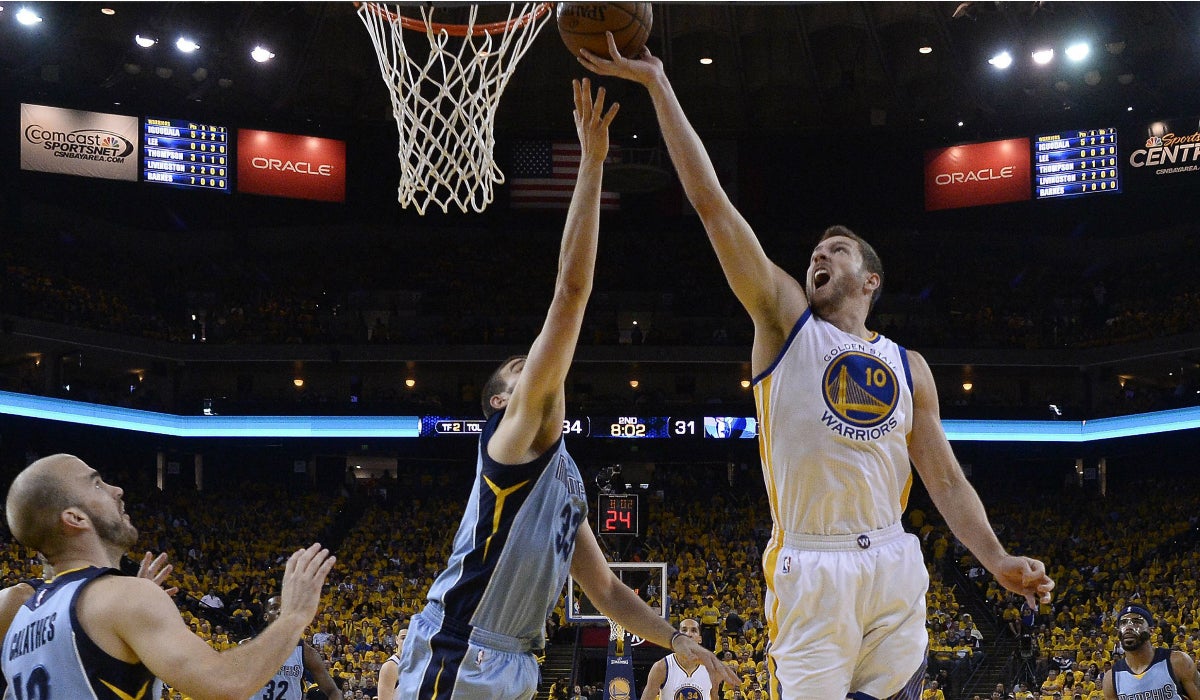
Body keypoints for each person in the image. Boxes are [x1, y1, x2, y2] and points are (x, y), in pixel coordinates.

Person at [579, 37, 1055, 700]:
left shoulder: (908, 365)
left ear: (871, 279)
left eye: (835, 251)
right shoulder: (785, 323)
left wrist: (997, 557)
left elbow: (945, 480)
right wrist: (659, 84)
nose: (817, 259)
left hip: (892, 557)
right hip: (812, 563)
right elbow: (712, 204)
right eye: (813, 254)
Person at [393, 79, 739, 700]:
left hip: (516, 663)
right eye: (523, 366)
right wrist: (593, 164)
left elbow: (604, 590)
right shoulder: (513, 441)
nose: (539, 367)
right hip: (461, 650)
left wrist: (678, 640)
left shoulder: (567, 473)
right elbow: (570, 293)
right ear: (502, 402)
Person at [1, 453, 335, 700]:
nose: (117, 490)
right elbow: (227, 684)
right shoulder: (120, 597)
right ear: (74, 517)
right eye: (97, 484)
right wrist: (293, 615)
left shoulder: (21, 619)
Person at [245, 594, 344, 700]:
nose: (280, 612)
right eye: (274, 608)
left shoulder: (305, 652)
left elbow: (333, 691)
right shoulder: (246, 647)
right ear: (266, 616)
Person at [1101, 604, 1200, 700]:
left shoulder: (1177, 661)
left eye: (1136, 622)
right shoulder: (1111, 678)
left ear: (1151, 630)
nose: (1128, 627)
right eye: (1123, 623)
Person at [640, 618, 719, 700]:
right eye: (684, 630)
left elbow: (715, 697)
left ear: (700, 639)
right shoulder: (661, 667)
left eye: (694, 630)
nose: (688, 634)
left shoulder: (711, 668)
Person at [375, 627, 407, 700]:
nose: (407, 641)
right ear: (396, 640)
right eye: (403, 638)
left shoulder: (420, 664)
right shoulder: (390, 666)